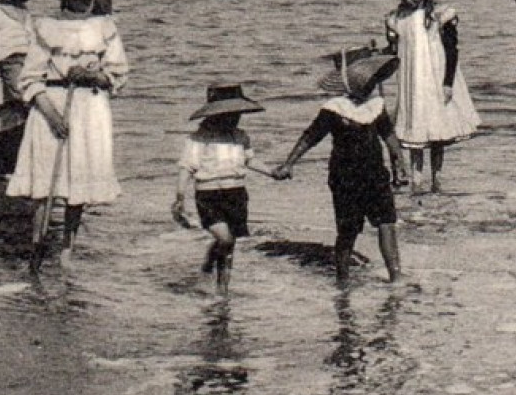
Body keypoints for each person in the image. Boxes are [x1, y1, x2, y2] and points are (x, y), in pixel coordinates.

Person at [8, 0, 129, 264]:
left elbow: (118, 75)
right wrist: (52, 116)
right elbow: (29, 80)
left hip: (90, 111)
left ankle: (67, 251)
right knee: (44, 185)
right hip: (52, 107)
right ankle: (38, 244)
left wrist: (93, 75)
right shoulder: (45, 27)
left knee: (79, 186)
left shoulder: (105, 27)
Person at [274, 49, 409, 284]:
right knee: (348, 231)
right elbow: (310, 138)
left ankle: (395, 274)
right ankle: (343, 280)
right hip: (345, 178)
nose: (371, 86)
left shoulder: (376, 106)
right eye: (367, 82)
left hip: (375, 175)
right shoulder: (334, 108)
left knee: (387, 223)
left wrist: (399, 163)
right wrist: (289, 164)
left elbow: (389, 137)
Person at [173, 85, 279, 294]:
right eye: (230, 115)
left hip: (237, 194)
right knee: (225, 238)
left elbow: (250, 160)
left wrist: (271, 172)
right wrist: (179, 196)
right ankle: (217, 281)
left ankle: (221, 285)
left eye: (237, 114)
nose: (235, 119)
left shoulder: (240, 136)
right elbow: (186, 167)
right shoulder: (199, 139)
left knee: (229, 242)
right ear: (215, 115)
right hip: (209, 195)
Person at [382, 0, 480, 193]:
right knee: (415, 125)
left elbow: (452, 50)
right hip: (412, 80)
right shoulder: (396, 19)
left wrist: (448, 83)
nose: (409, 0)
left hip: (435, 77)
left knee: (437, 128)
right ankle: (417, 180)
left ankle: (437, 179)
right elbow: (392, 52)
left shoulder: (439, 15)